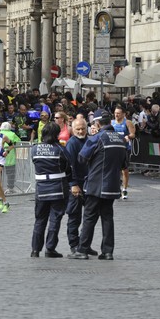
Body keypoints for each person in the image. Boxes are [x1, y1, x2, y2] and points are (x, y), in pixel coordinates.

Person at [68, 111, 128, 260]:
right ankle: (107, 252)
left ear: (98, 123)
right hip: (113, 185)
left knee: (89, 217)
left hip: (95, 185)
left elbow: (82, 158)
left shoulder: (97, 138)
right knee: (107, 217)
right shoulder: (121, 139)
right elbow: (124, 164)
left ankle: (82, 249)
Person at [30, 122, 72, 258]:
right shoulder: (60, 149)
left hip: (41, 189)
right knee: (55, 220)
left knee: (40, 219)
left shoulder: (35, 149)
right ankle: (50, 248)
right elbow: (67, 166)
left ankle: (35, 250)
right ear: (56, 134)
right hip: (57, 189)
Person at [65, 118, 98, 256]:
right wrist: (73, 184)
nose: (80, 131)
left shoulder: (90, 140)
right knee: (74, 216)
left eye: (83, 128)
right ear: (72, 129)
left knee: (89, 217)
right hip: (76, 184)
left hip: (89, 184)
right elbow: (69, 166)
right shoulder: (71, 143)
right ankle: (74, 245)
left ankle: (85, 244)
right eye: (78, 129)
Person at [111, 106, 135, 199]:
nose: (116, 115)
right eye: (115, 113)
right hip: (114, 149)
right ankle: (116, 188)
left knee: (124, 170)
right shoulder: (112, 123)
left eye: (118, 113)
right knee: (114, 170)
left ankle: (124, 189)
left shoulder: (127, 122)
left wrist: (128, 137)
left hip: (125, 149)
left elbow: (133, 134)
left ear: (123, 114)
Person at [0, 122, 20, 195]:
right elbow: (19, 142)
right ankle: (10, 188)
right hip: (10, 156)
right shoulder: (12, 134)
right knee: (10, 174)